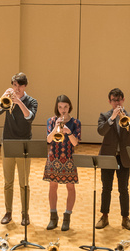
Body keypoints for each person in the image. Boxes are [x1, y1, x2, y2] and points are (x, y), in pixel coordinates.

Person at [0, 72, 38, 226]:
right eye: (14, 85)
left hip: (24, 144)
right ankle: (8, 212)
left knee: (24, 182)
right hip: (8, 143)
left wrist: (19, 102)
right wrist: (2, 98)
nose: (16, 88)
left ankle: (25, 214)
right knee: (8, 182)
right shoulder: (8, 100)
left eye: (18, 85)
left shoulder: (32, 101)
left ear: (24, 86)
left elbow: (29, 117)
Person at [95, 88, 130, 230]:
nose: (117, 103)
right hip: (108, 157)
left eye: (119, 100)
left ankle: (125, 218)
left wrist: (126, 121)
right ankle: (104, 216)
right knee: (106, 188)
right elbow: (101, 131)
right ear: (110, 101)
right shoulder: (104, 115)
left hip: (124, 157)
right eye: (114, 100)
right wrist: (112, 118)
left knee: (123, 189)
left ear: (123, 100)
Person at [43, 95, 80, 231]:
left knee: (70, 188)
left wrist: (69, 133)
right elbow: (48, 140)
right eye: (60, 107)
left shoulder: (75, 123)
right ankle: (53, 217)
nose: (63, 110)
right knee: (53, 187)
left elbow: (75, 142)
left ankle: (67, 217)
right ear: (57, 108)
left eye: (65, 107)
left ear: (69, 107)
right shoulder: (51, 120)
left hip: (69, 158)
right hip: (54, 157)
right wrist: (55, 127)